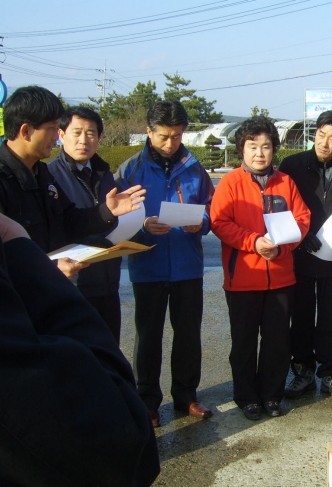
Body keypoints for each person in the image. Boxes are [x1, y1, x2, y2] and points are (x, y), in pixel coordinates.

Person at [0, 206, 159, 487]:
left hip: (98, 279)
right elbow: (118, 450)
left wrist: (105, 211)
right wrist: (27, 257)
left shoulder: (49, 177)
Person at [115, 100, 215, 427]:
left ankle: (186, 396)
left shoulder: (194, 167)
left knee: (188, 335)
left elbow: (211, 210)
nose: (170, 143)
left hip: (188, 265)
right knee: (148, 336)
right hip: (148, 265)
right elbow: (115, 217)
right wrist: (143, 226)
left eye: (176, 136)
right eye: (163, 136)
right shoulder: (131, 169)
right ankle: (148, 400)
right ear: (148, 131)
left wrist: (199, 222)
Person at [0, 86, 146, 278]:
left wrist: (107, 211)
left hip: (47, 292)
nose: (57, 138)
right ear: (26, 130)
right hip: (17, 300)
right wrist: (48, 267)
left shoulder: (42, 173)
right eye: (52, 129)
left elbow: (68, 222)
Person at [210, 116, 310, 420]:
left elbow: (302, 219)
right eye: (252, 146)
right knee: (243, 342)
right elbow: (219, 222)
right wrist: (253, 242)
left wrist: (282, 246)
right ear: (242, 149)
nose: (259, 153)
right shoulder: (230, 182)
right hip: (242, 278)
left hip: (281, 277)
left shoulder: (285, 183)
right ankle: (246, 396)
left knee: (278, 341)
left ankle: (272, 394)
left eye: (266, 146)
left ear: (274, 150)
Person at [279, 110, 332, 401]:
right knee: (300, 315)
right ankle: (302, 371)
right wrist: (300, 237)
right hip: (300, 256)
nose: (324, 143)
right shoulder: (292, 166)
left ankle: (331, 373)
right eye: (320, 135)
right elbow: (280, 208)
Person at [47, 107, 123, 343]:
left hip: (108, 282)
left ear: (99, 138)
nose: (83, 140)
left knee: (110, 353)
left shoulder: (105, 173)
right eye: (77, 132)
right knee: (77, 357)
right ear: (61, 134)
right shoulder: (49, 176)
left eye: (91, 134)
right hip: (73, 285)